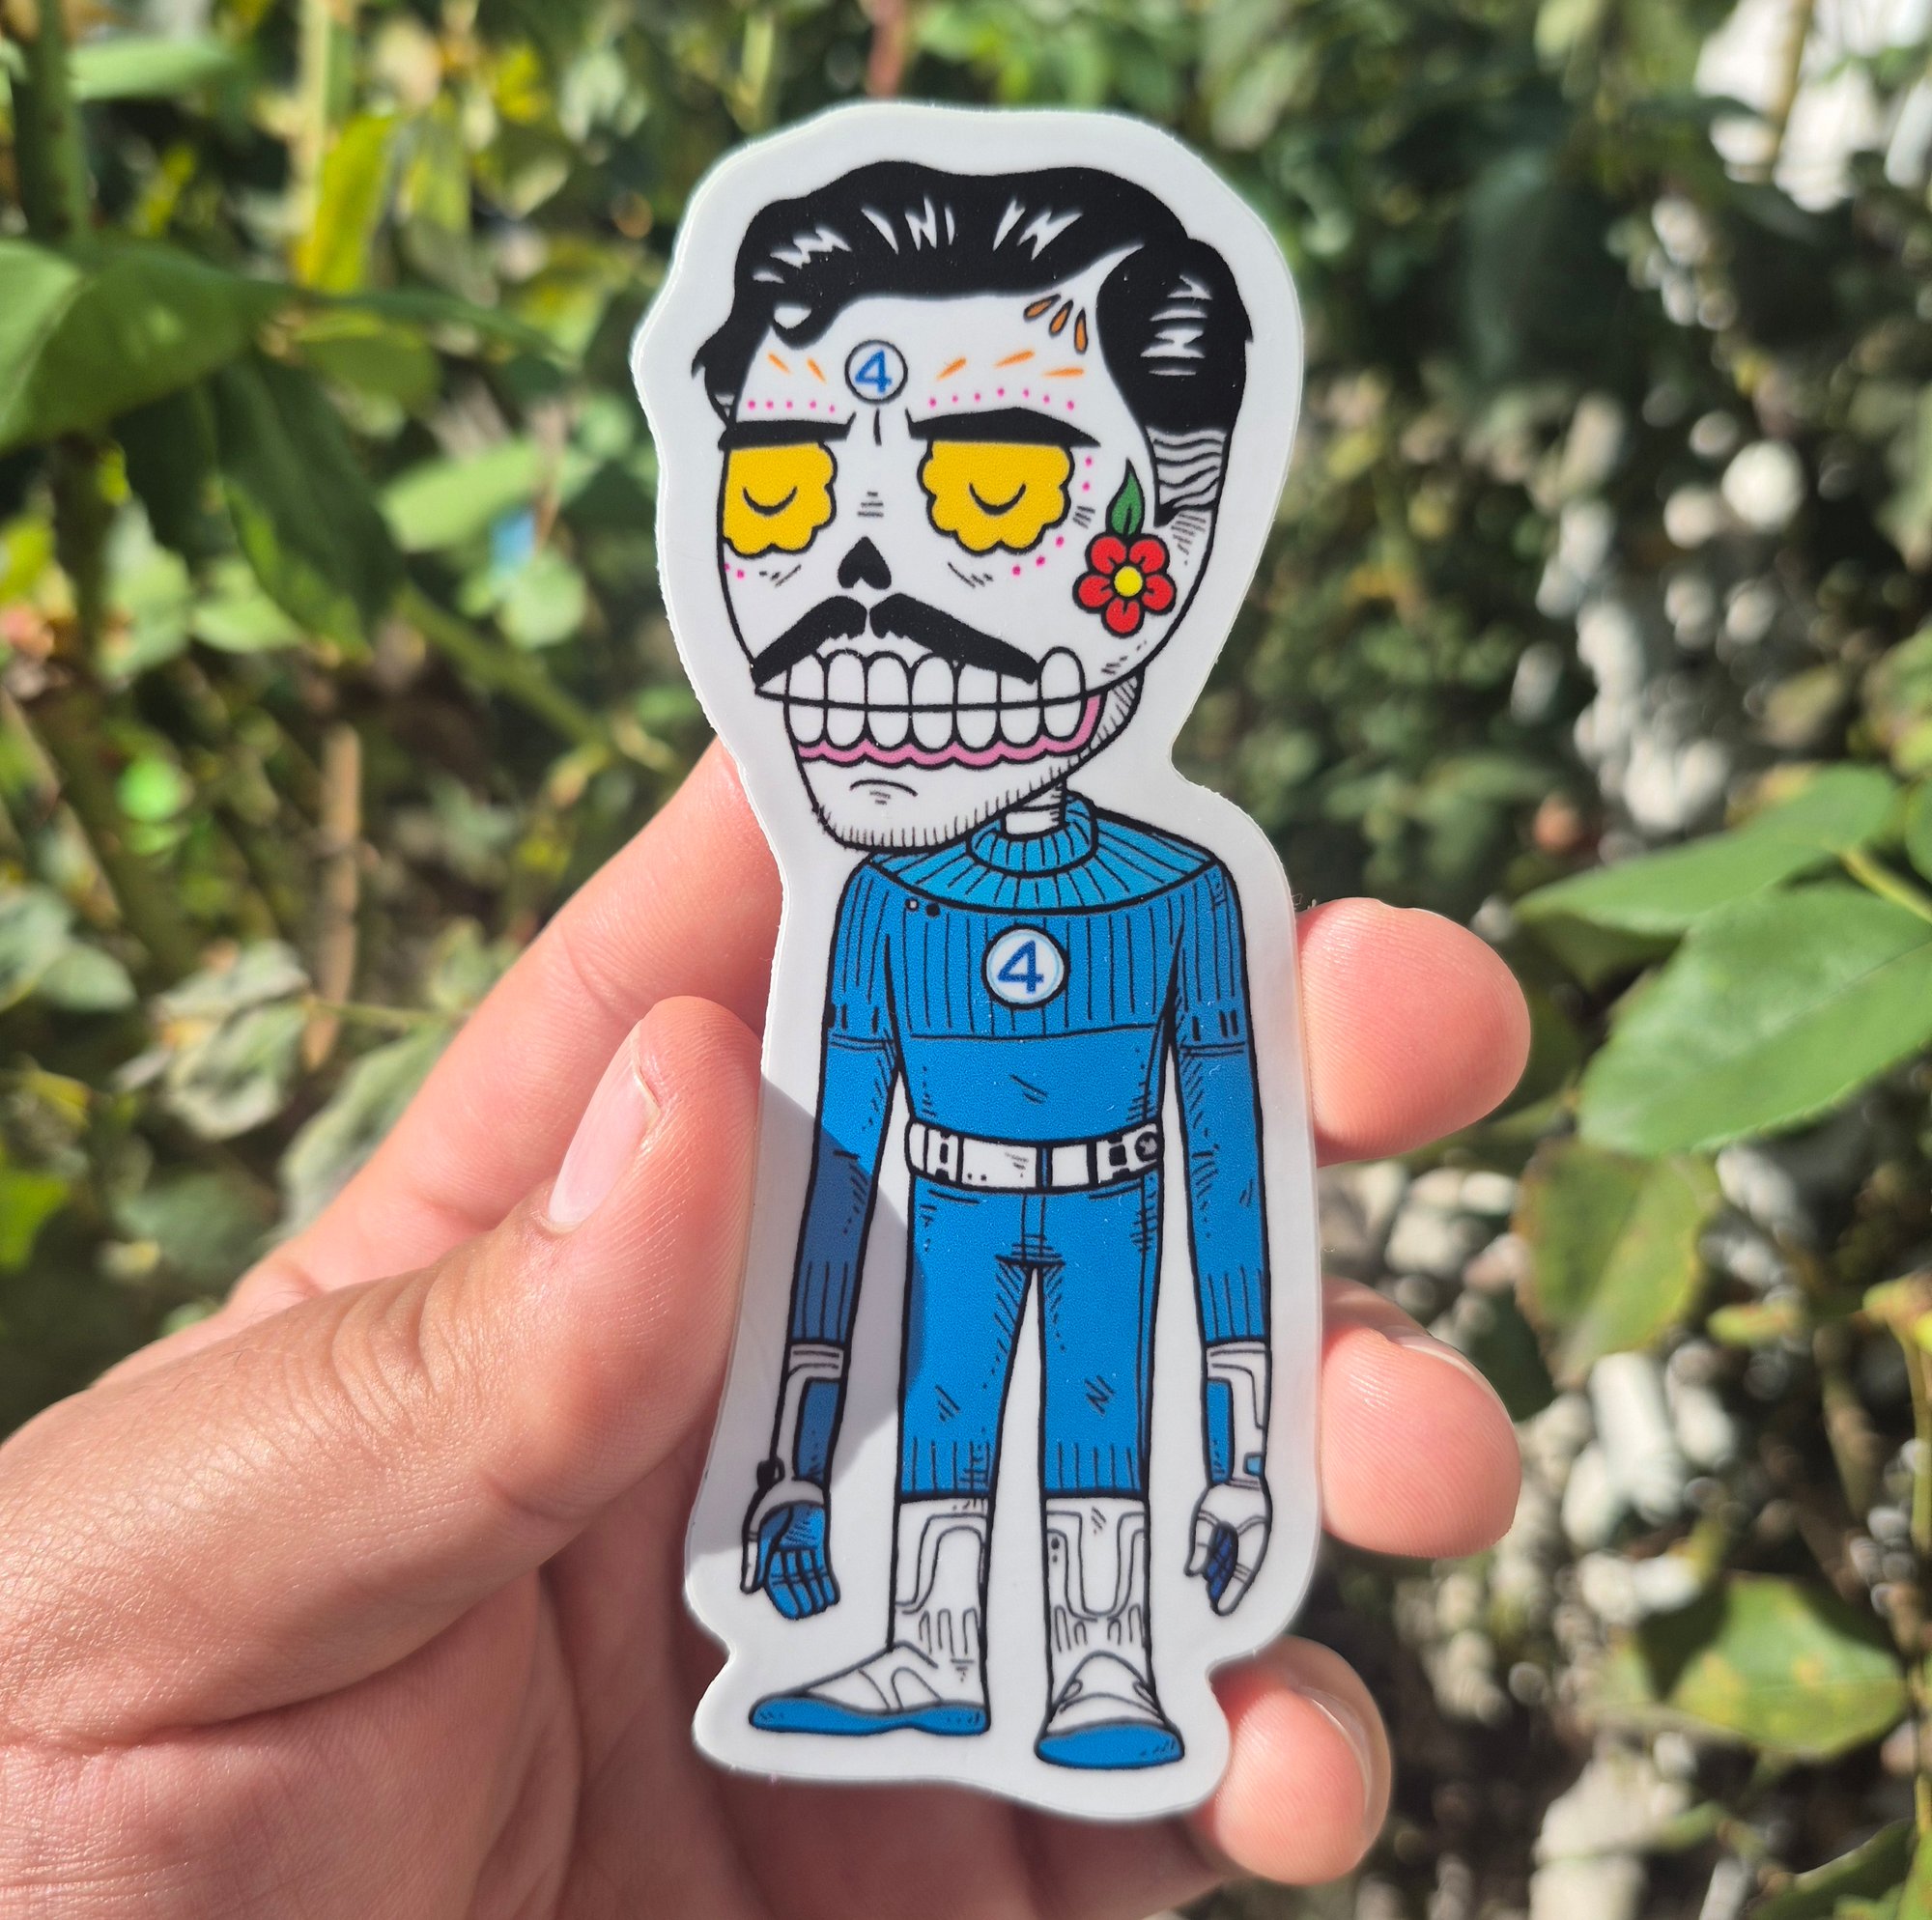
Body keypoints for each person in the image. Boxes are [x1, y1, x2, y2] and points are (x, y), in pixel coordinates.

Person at [0, 746, 1527, 1914]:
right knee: (935, 1420)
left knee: (1100, 1423)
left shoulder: (1182, 890)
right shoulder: (887, 898)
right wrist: (796, 1462)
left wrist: (1242, 1447)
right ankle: (928, 1646)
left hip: (1117, 1200)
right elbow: (833, 1174)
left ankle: (1103, 1658)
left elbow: (1230, 1156)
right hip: (946, 1204)